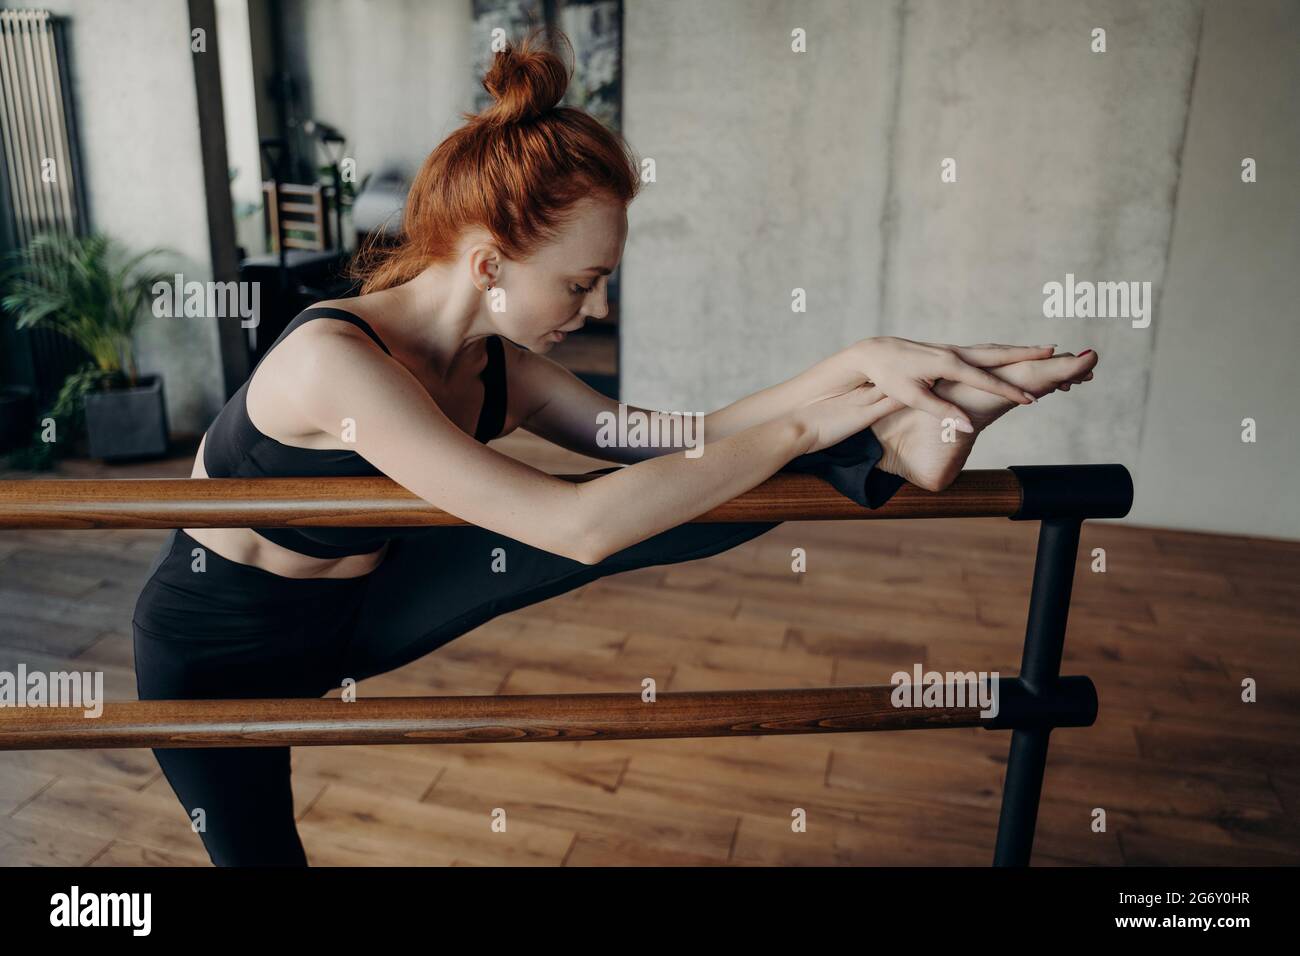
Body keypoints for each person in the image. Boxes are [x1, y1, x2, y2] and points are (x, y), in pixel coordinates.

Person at [131, 32, 1097, 866]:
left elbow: (688, 442)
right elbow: (574, 525)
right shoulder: (332, 364)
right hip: (217, 652)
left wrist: (856, 363)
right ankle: (879, 446)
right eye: (583, 284)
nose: (596, 310)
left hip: (360, 608)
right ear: (488, 264)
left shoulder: (496, 366)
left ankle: (892, 452)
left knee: (666, 495)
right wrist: (812, 422)